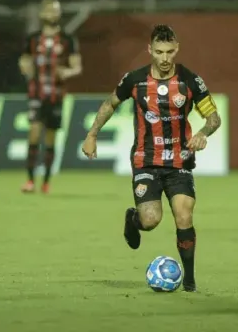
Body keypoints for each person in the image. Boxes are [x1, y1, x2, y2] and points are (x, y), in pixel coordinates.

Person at [81, 24, 222, 292]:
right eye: (159, 52)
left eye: (170, 51)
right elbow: (110, 103)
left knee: (184, 214)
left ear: (177, 48)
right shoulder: (135, 80)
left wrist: (203, 132)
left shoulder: (190, 80)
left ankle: (189, 282)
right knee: (151, 220)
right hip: (146, 161)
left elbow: (213, 117)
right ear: (150, 50)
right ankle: (133, 220)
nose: (165, 58)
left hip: (179, 162)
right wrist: (92, 134)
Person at [19, 0, 83, 194]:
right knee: (34, 132)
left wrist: (66, 72)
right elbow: (24, 60)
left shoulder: (67, 40)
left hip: (56, 95)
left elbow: (77, 67)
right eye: (48, 10)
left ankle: (46, 182)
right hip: (36, 94)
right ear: (41, 14)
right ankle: (30, 181)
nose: (52, 14)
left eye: (55, 10)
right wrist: (25, 68)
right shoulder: (32, 39)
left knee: (50, 137)